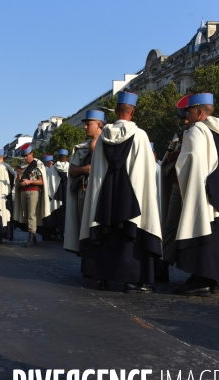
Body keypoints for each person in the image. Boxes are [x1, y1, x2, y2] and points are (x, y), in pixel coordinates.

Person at [78, 92, 162, 293]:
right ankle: (131, 279)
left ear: (116, 112)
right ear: (132, 112)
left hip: (105, 198)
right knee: (129, 236)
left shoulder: (103, 138)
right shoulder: (140, 135)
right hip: (130, 198)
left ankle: (103, 277)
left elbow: (97, 170)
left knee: (105, 235)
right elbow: (147, 171)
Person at [174, 93, 219, 296]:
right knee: (218, 236)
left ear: (199, 112)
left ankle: (200, 280)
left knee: (201, 233)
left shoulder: (197, 131)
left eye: (189, 112)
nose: (187, 117)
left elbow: (191, 161)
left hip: (205, 194)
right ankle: (213, 280)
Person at [158, 95, 192, 282]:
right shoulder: (180, 135)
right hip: (178, 187)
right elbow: (167, 159)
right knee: (170, 228)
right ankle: (163, 266)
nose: (185, 121)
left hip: (198, 190)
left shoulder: (206, 132)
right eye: (182, 118)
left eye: (187, 116)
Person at [64, 110, 104, 254]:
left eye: (88, 124)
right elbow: (72, 170)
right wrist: (84, 169)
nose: (85, 127)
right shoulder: (81, 148)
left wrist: (94, 150)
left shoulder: (108, 144)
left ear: (99, 125)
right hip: (84, 190)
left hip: (100, 193)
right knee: (84, 227)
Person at [13, 143, 50, 247]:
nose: (25, 158)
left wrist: (29, 182)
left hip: (33, 191)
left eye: (27, 155)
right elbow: (19, 182)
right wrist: (19, 175)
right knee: (26, 215)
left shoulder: (37, 164)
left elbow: (41, 181)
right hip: (23, 192)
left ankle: (31, 236)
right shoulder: (22, 165)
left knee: (31, 215)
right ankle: (32, 237)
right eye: (24, 156)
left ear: (31, 154)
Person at [0, 149, 15, 241]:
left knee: (1, 215)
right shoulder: (9, 167)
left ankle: (0, 235)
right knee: (7, 215)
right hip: (7, 195)